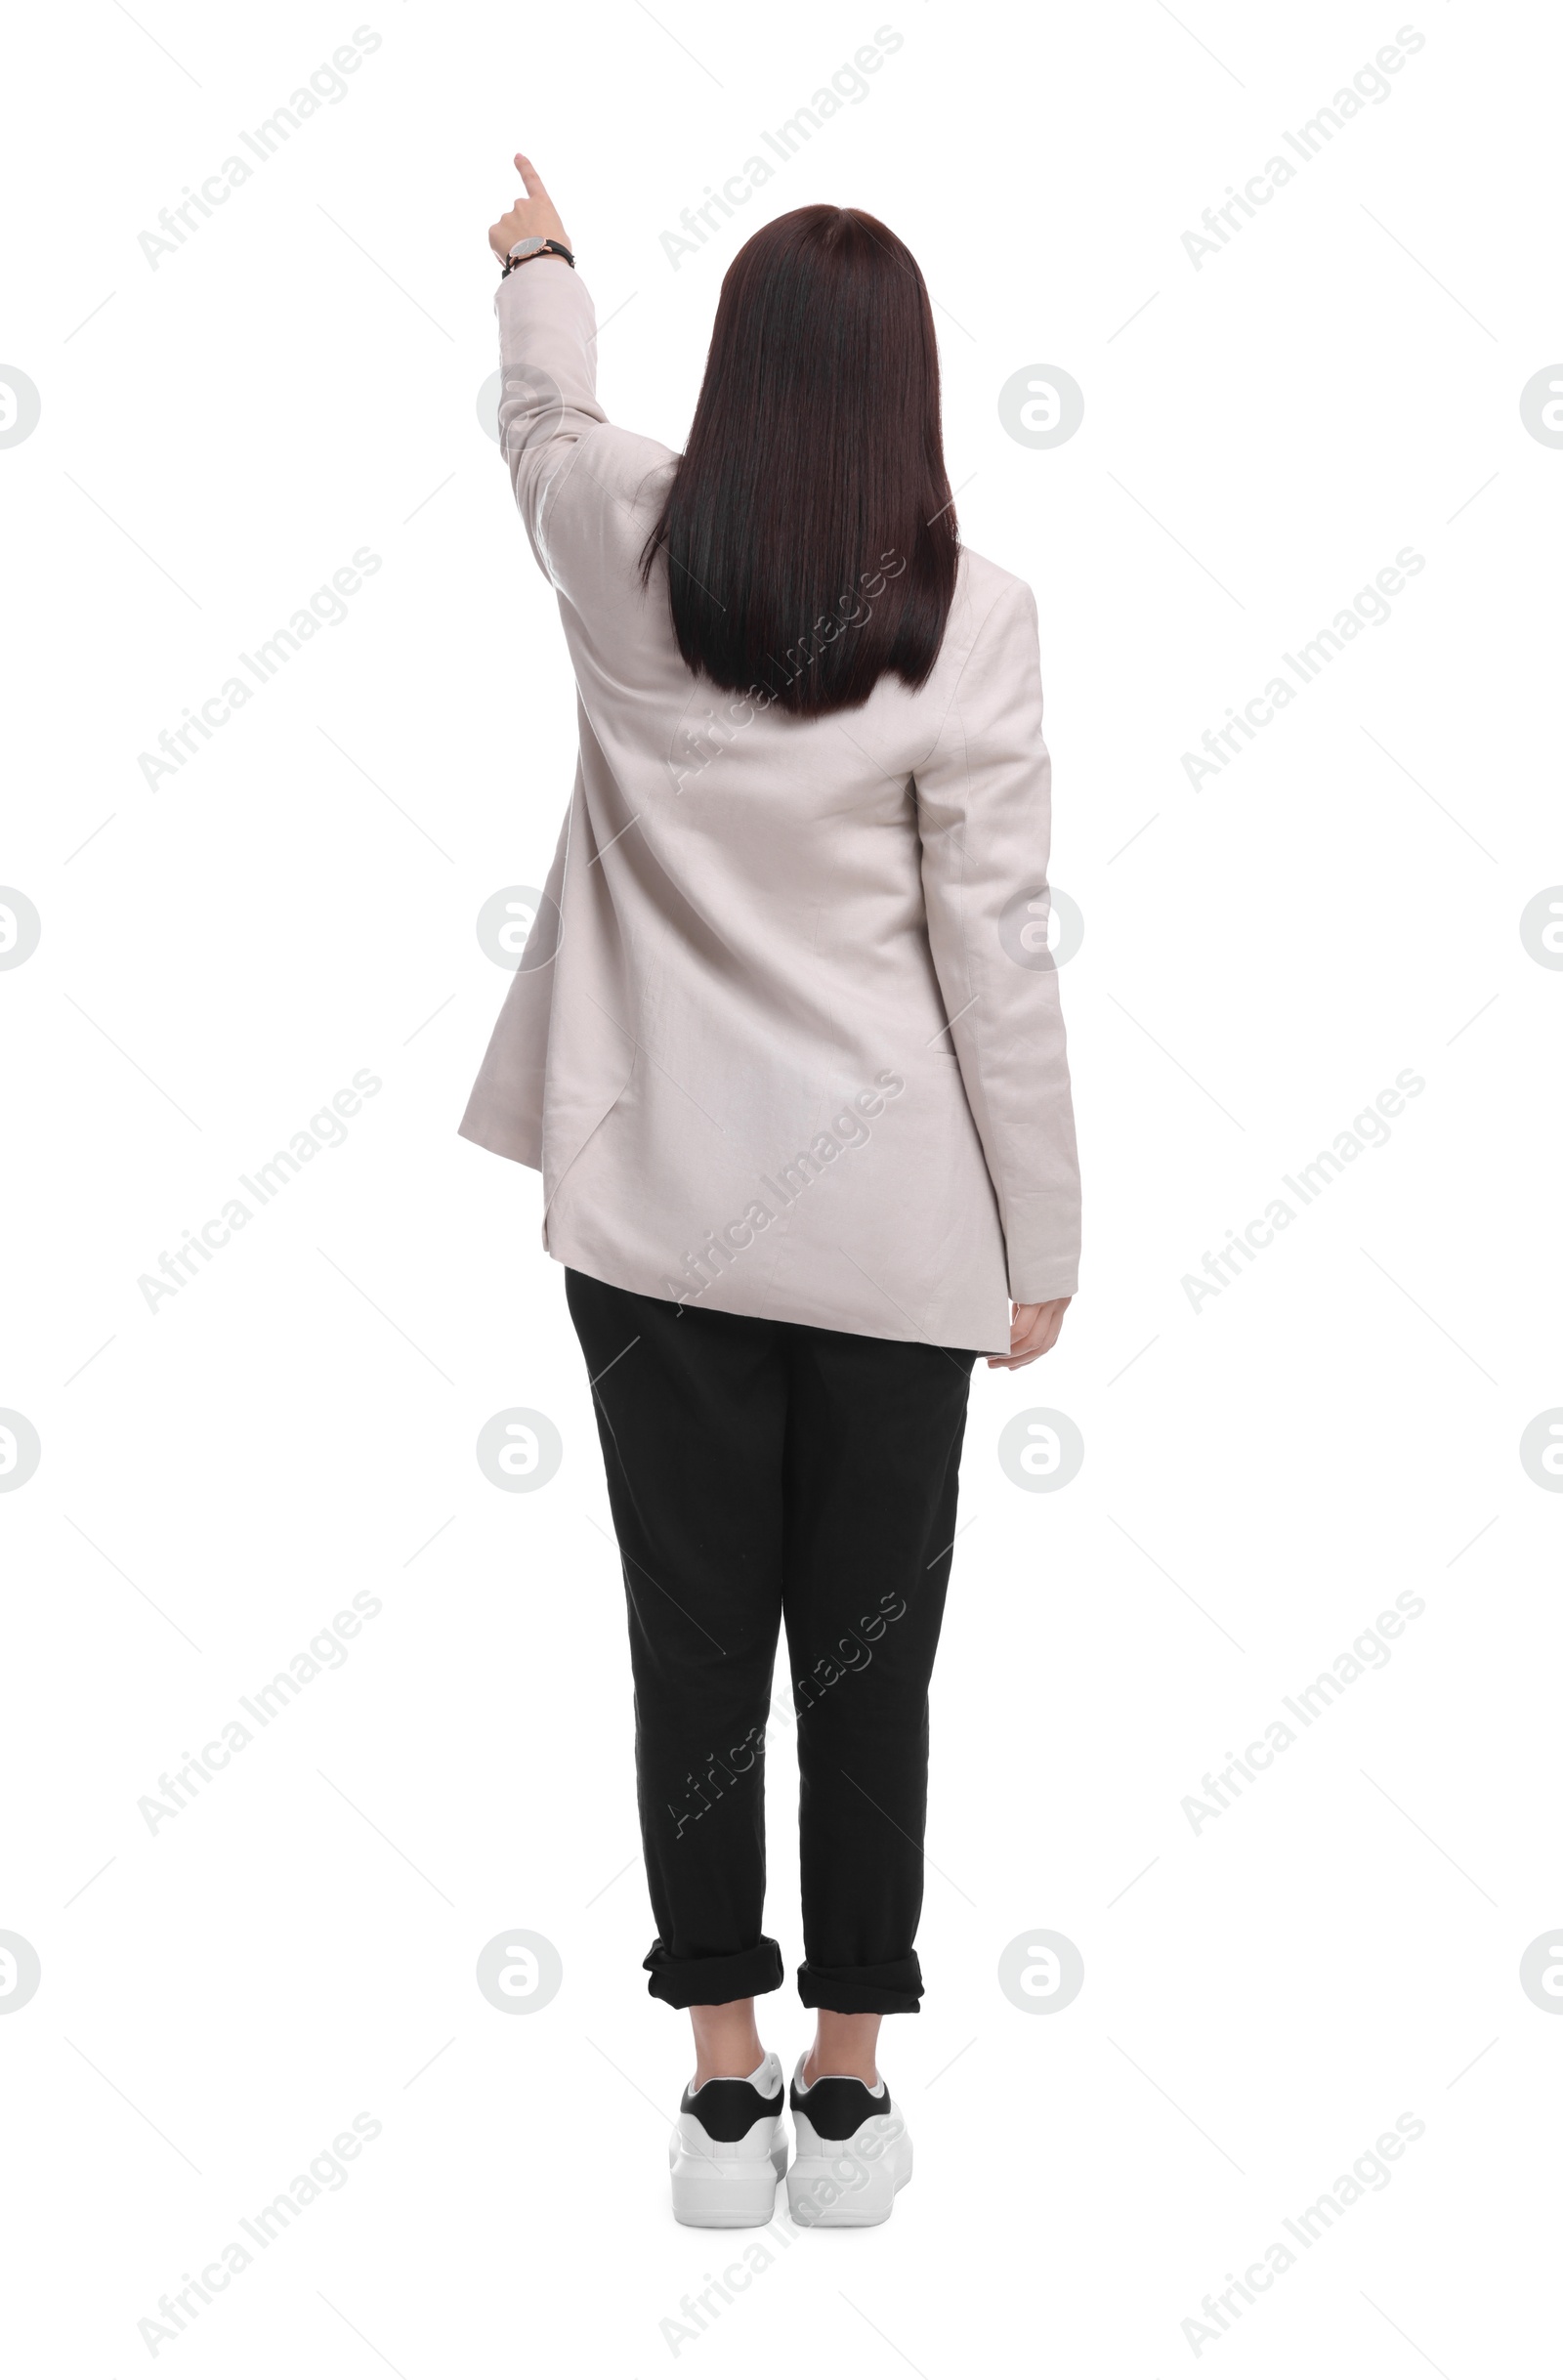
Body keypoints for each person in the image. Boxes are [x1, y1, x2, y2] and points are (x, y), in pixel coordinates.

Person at [462, 155, 1080, 2229]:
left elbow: (540, 417)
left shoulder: (622, 542)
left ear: (735, 377)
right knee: (869, 1662)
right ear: (912, 396)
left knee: (694, 1636)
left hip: (650, 1225)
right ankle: (850, 2080)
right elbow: (995, 952)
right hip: (898, 1232)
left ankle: (716, 2086)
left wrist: (540, 260)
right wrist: (1042, 1238)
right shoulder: (974, 626)